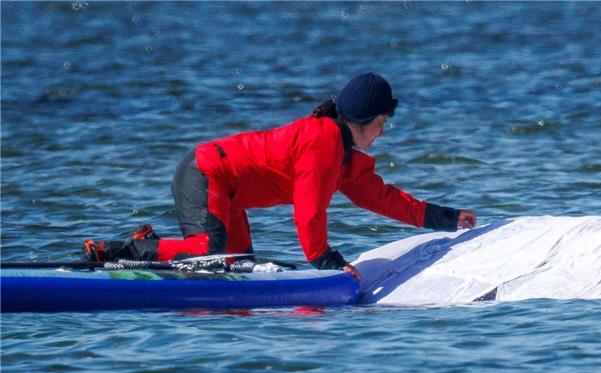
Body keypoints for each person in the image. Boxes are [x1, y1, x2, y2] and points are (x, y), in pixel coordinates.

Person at [82, 73, 477, 278]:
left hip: (228, 193)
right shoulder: (321, 142)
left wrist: (445, 218)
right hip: (204, 173)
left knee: (233, 267)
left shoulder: (343, 155)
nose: (383, 132)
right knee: (210, 255)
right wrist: (326, 261)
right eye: (382, 123)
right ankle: (124, 251)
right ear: (362, 120)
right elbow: (308, 211)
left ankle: (157, 253)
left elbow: (383, 198)